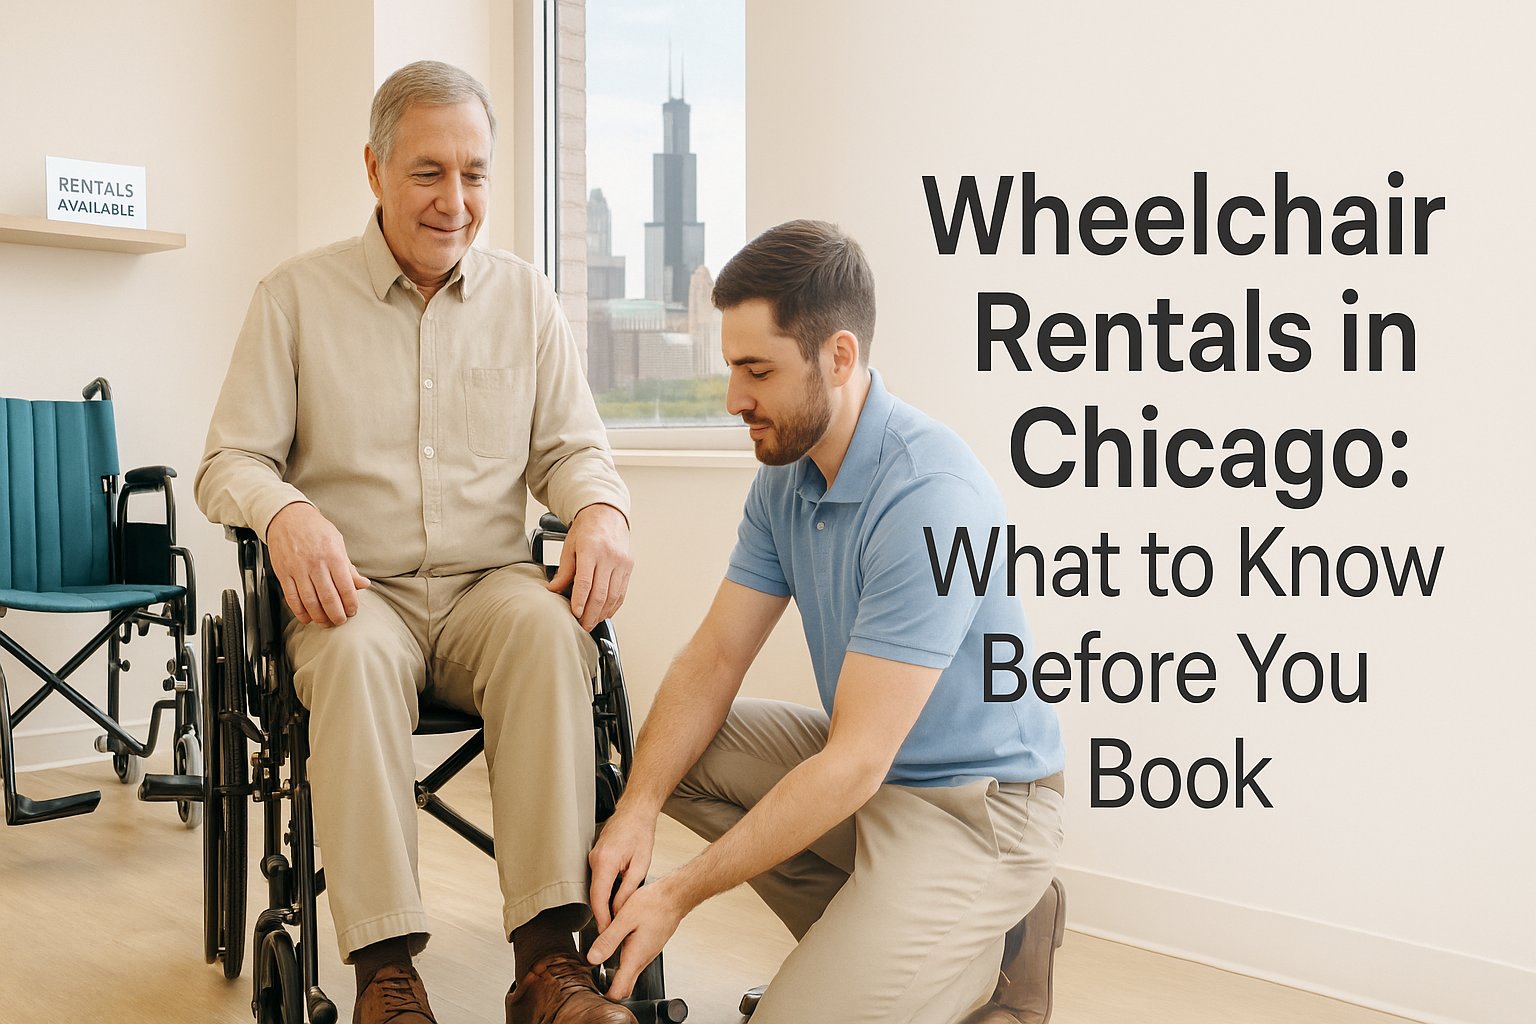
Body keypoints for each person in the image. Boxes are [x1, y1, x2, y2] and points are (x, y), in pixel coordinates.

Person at [196, 61, 639, 1024]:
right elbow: (227, 460)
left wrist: (601, 510)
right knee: (351, 658)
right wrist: (284, 513)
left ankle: (549, 969)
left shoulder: (528, 299)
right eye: (429, 171)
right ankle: (386, 977)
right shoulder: (294, 298)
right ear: (375, 170)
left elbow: (574, 449)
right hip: (358, 593)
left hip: (489, 587)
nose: (455, 199)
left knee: (551, 634)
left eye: (474, 173)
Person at [586, 220, 1068, 1024]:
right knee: (670, 756)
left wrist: (678, 894)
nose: (735, 398)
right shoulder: (789, 473)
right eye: (731, 367)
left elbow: (852, 766)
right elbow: (711, 660)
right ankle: (891, 953)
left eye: (757, 370)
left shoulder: (930, 496)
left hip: (976, 808)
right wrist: (637, 808)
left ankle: (986, 943)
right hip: (875, 776)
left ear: (837, 358)